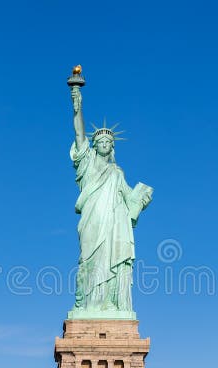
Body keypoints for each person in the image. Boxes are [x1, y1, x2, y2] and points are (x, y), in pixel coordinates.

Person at [68, 84, 152, 316]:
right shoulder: (88, 164)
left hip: (113, 226)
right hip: (92, 221)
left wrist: (142, 198)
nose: (104, 144)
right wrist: (78, 107)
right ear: (94, 146)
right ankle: (86, 305)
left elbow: (130, 200)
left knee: (110, 261)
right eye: (100, 142)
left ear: (112, 147)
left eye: (108, 142)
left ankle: (109, 304)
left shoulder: (118, 173)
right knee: (88, 261)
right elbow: (78, 134)